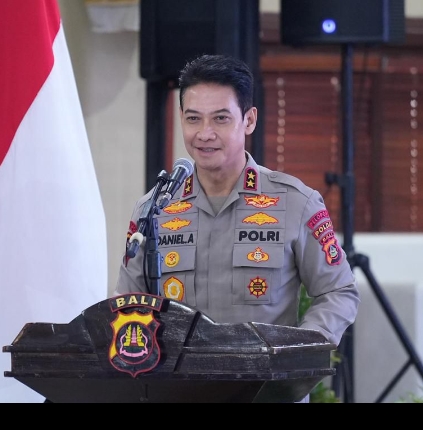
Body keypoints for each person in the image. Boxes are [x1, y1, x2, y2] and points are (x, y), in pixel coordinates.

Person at [114, 54, 360, 402]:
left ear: (249, 120)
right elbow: (127, 304)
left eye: (221, 118)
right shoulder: (154, 209)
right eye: (193, 118)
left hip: (267, 394)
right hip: (178, 394)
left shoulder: (296, 203)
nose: (205, 134)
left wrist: (298, 354)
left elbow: (339, 291)